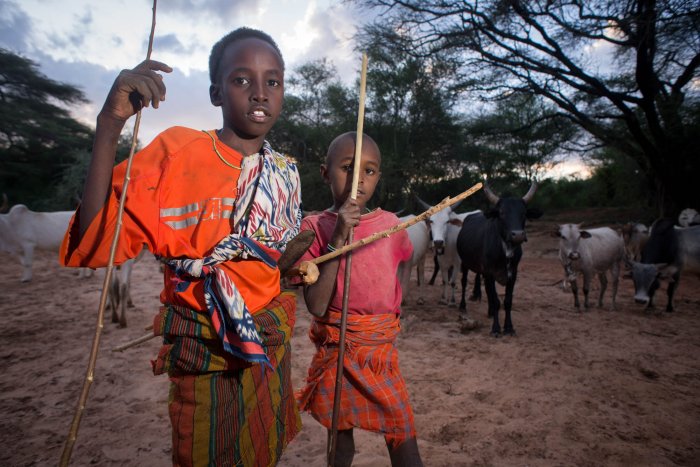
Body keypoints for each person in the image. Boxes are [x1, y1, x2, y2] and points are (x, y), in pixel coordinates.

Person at [59, 28, 303, 466]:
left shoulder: (284, 174)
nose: (260, 93)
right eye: (242, 80)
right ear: (215, 92)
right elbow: (95, 242)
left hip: (269, 346)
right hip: (204, 352)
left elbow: (272, 263)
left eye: (273, 81)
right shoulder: (176, 154)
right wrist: (109, 124)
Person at [296, 132, 424, 466]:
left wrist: (398, 298)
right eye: (348, 168)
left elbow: (406, 259)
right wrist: (338, 237)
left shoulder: (390, 226)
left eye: (369, 171)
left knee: (403, 438)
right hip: (338, 351)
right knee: (339, 446)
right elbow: (316, 305)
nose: (358, 181)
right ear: (325, 173)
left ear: (379, 176)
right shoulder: (314, 228)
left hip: (379, 353)